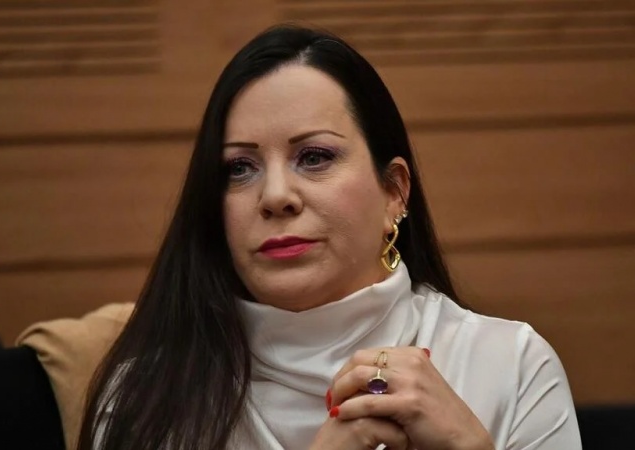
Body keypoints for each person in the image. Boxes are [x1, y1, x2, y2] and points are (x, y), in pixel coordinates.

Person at [78, 24, 582, 450]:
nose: (276, 196)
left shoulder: (511, 365)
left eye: (314, 157)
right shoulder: (142, 397)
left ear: (394, 193)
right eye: (239, 168)